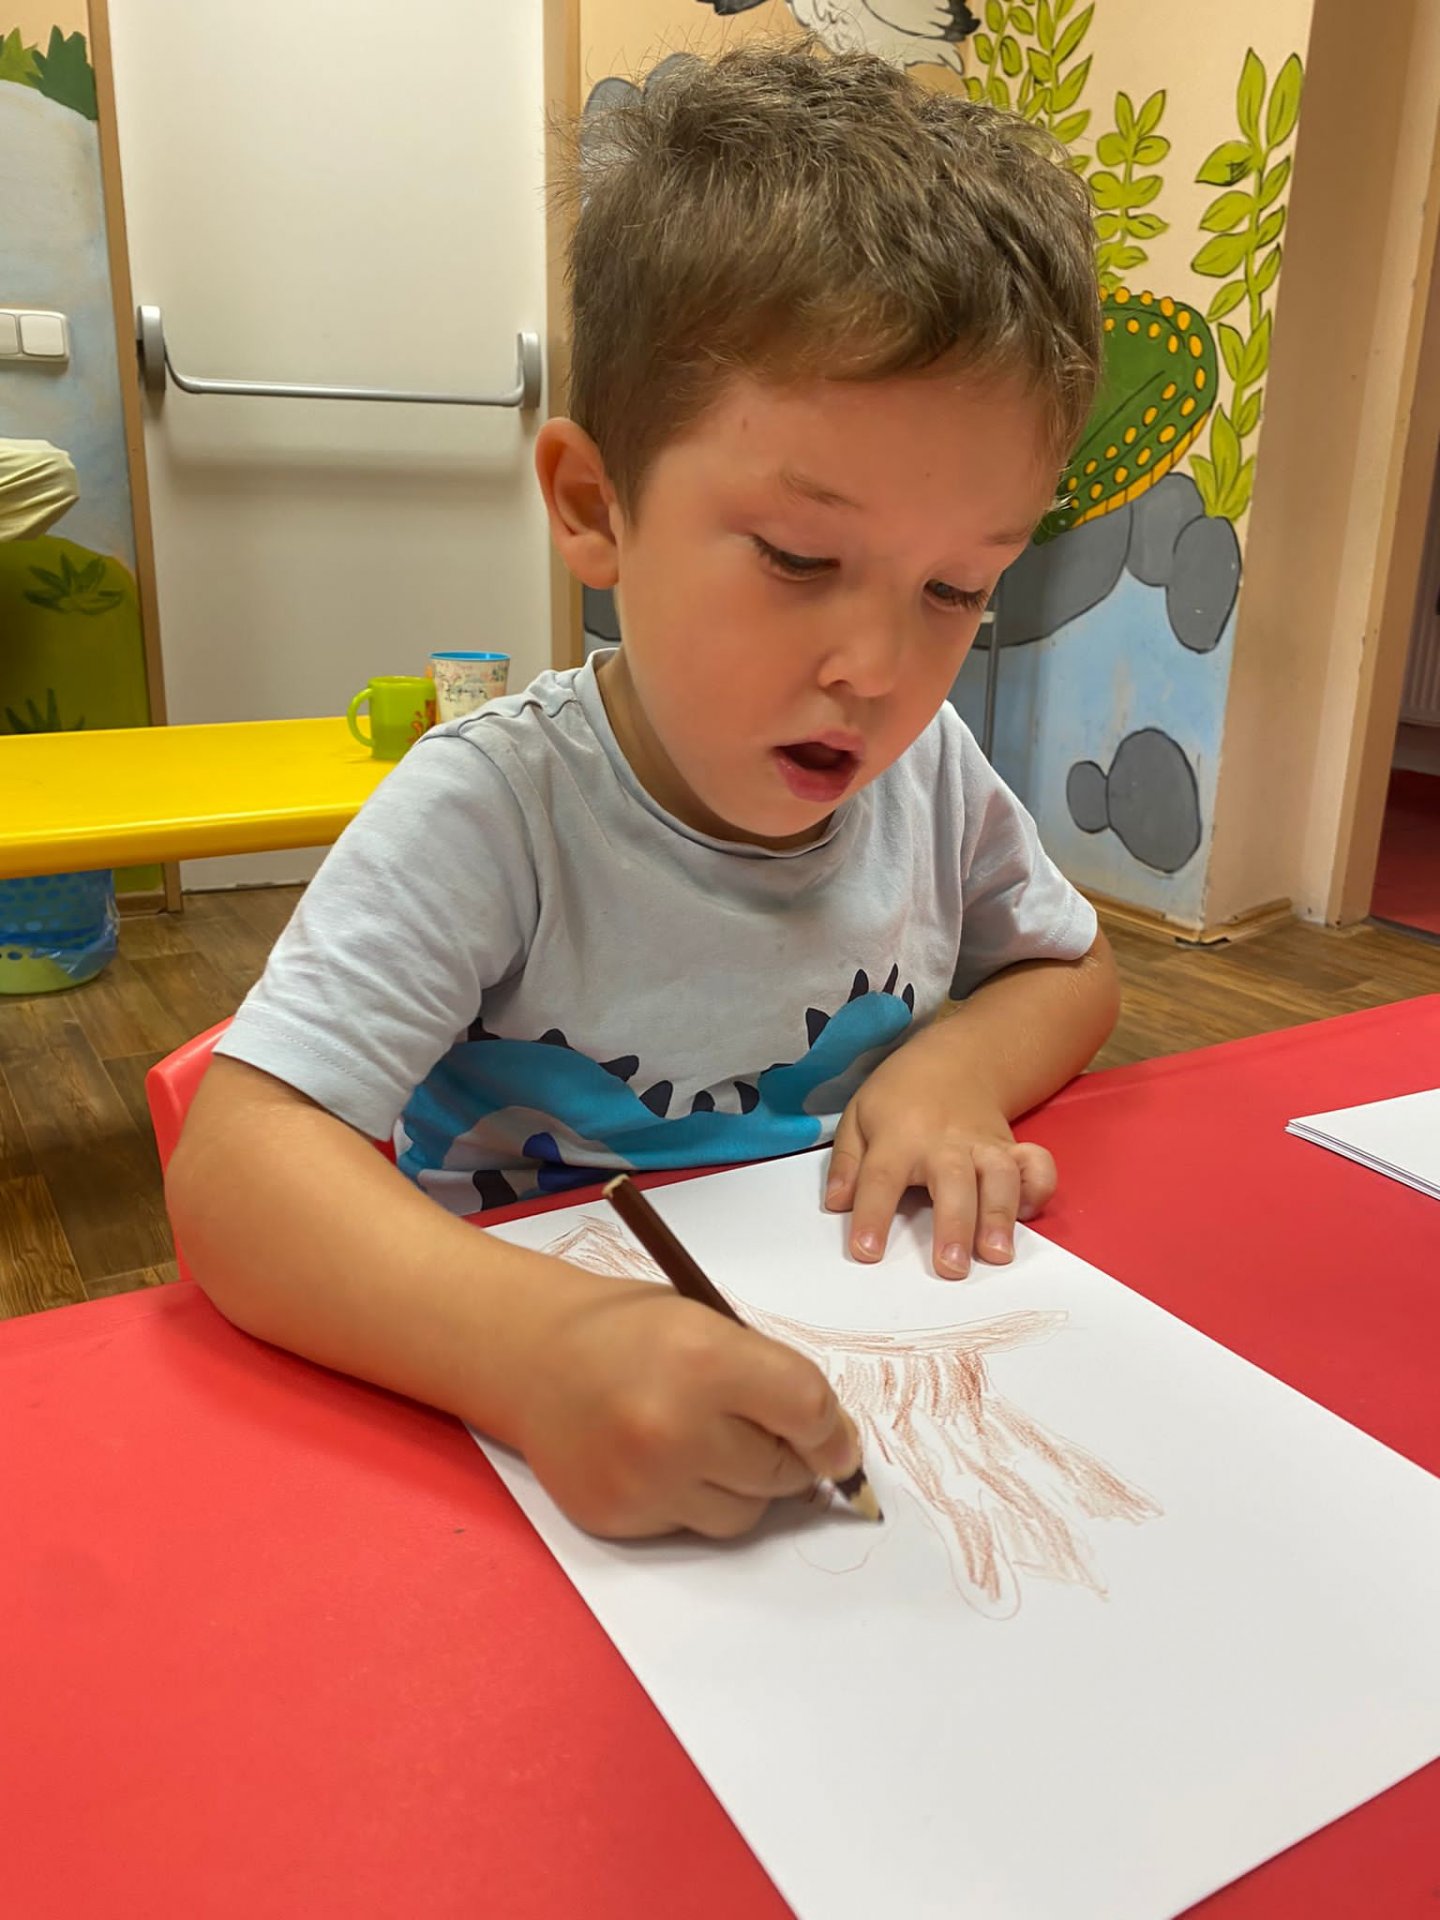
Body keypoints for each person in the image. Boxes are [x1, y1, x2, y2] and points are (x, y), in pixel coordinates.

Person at [167, 39, 1120, 1541]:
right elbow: (236, 1170)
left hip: (844, 1375)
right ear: (593, 506)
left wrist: (952, 1071)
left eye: (956, 588)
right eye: (799, 558)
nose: (877, 668)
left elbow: (1071, 969)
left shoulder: (931, 772)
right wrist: (536, 1352)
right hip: (502, 1445)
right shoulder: (496, 812)